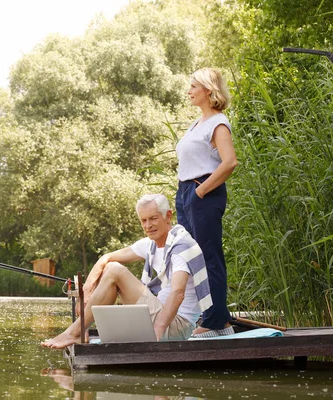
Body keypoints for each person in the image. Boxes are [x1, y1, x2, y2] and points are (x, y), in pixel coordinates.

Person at [41, 194, 213, 350]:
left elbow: (178, 293)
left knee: (115, 271)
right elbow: (106, 258)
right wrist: (86, 293)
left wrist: (156, 334)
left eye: (153, 218)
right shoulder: (152, 244)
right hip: (160, 315)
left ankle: (75, 331)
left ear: (168, 216)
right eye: (143, 220)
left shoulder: (181, 246)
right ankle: (82, 328)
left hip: (175, 325)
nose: (148, 225)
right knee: (110, 267)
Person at [175, 67, 238, 338]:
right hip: (186, 191)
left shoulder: (218, 122)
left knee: (208, 257)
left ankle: (214, 321)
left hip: (203, 193)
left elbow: (229, 162)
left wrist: (200, 193)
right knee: (190, 258)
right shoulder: (197, 123)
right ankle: (215, 318)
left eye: (193, 86)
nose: (188, 91)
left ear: (208, 91)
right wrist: (187, 194)